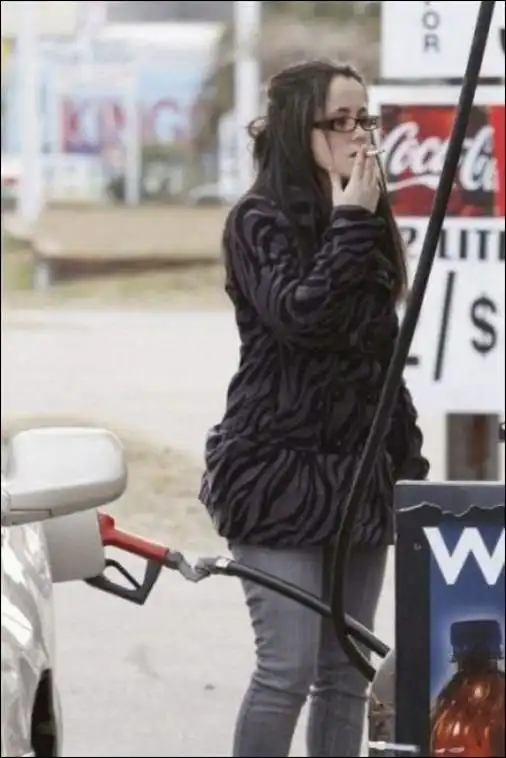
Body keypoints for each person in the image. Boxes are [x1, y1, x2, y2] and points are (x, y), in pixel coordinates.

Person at [198, 59, 430, 758]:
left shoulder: (366, 219)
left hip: (357, 475)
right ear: (301, 129)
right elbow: (301, 315)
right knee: (287, 668)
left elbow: (378, 354)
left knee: (346, 674)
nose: (360, 135)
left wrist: (407, 461)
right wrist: (352, 220)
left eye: (367, 119)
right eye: (341, 121)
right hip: (277, 472)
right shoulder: (257, 220)